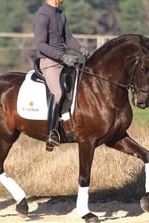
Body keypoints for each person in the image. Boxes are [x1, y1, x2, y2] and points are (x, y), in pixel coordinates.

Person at [33, 0, 89, 151]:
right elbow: (40, 44)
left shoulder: (61, 14)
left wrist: (80, 48)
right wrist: (62, 57)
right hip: (49, 63)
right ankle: (51, 133)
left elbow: (68, 38)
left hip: (63, 61)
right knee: (58, 92)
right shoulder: (42, 15)